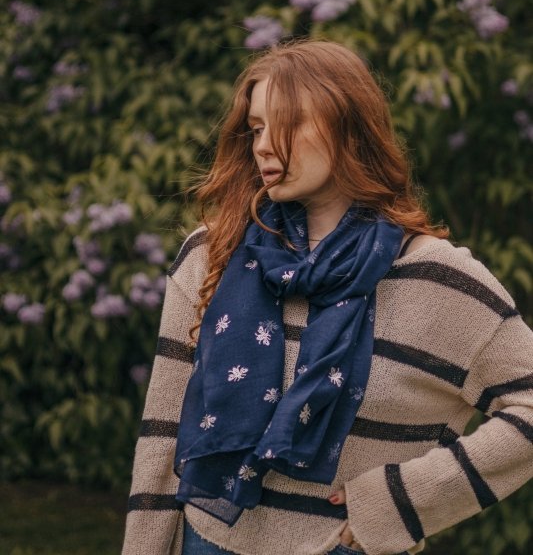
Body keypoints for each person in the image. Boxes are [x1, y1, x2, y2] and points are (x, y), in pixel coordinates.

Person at [122, 40, 533, 555]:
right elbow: (163, 437)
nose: (264, 146)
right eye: (255, 128)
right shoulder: (214, 255)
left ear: (346, 127)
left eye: (285, 124)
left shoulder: (438, 281)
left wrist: (399, 504)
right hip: (205, 541)